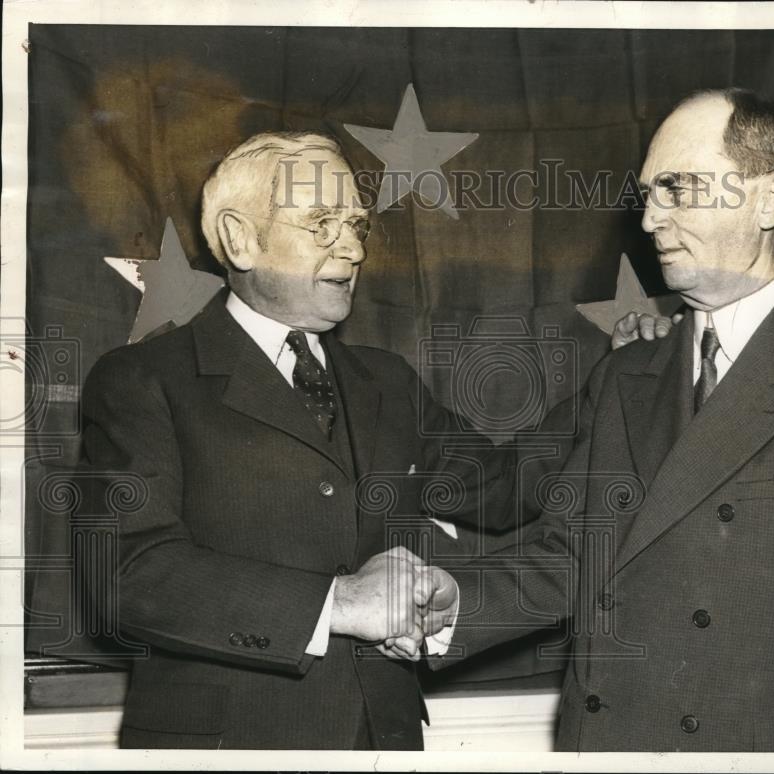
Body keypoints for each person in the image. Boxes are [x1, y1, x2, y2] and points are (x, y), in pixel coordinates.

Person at [421, 88, 774, 752]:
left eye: (677, 189)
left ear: (770, 199)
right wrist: (449, 600)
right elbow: (573, 556)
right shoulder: (624, 375)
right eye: (648, 195)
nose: (650, 219)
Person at [78, 132, 519, 750]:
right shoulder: (142, 379)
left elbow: (515, 490)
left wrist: (635, 375)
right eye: (321, 222)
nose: (352, 247)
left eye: (356, 224)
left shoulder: (388, 381)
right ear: (240, 239)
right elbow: (126, 575)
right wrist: (340, 604)